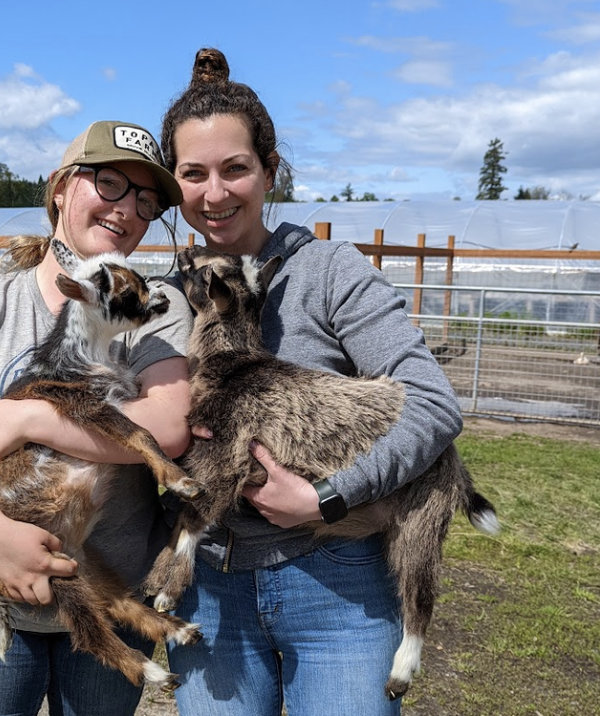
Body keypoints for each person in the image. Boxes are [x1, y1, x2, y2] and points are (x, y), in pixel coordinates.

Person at [158, 48, 465, 716]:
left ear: (270, 171)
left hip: (335, 584)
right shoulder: (166, 293)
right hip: (207, 588)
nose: (215, 194)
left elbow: (434, 403)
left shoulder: (327, 271)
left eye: (236, 169)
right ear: (173, 182)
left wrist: (328, 496)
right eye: (194, 173)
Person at [0, 120, 192, 716]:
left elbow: (167, 429)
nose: (127, 210)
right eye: (109, 183)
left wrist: (30, 418)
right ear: (61, 188)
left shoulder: (152, 308)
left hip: (110, 593)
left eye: (146, 200)